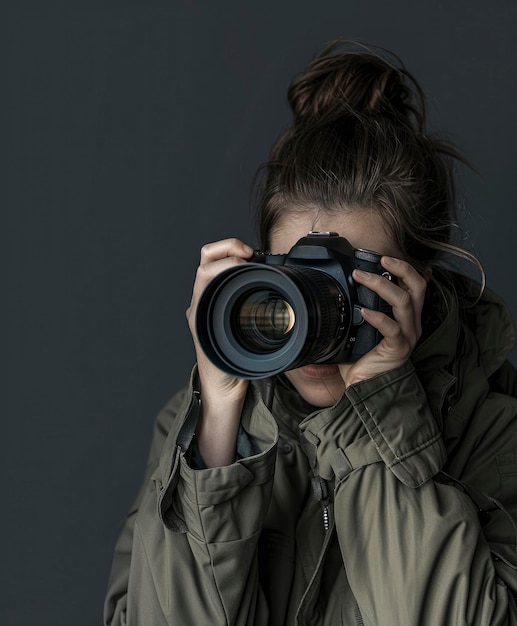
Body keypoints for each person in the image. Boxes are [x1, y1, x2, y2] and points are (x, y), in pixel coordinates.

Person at [104, 41, 517, 625]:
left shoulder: (495, 429)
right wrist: (218, 427)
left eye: (354, 282)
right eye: (296, 281)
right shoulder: (194, 426)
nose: (315, 317)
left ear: (419, 283)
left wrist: (382, 413)